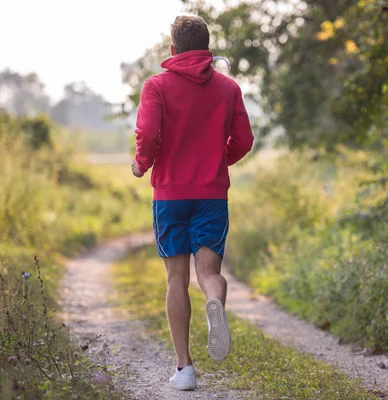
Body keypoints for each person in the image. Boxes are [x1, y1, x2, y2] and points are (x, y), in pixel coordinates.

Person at [131, 15, 254, 391]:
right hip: (211, 194)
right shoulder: (228, 88)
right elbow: (244, 140)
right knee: (208, 273)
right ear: (207, 47)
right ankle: (214, 303)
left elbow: (149, 134)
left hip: (170, 195)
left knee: (176, 279)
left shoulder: (156, 86)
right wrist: (219, 161)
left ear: (173, 50)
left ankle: (185, 369)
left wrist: (141, 163)